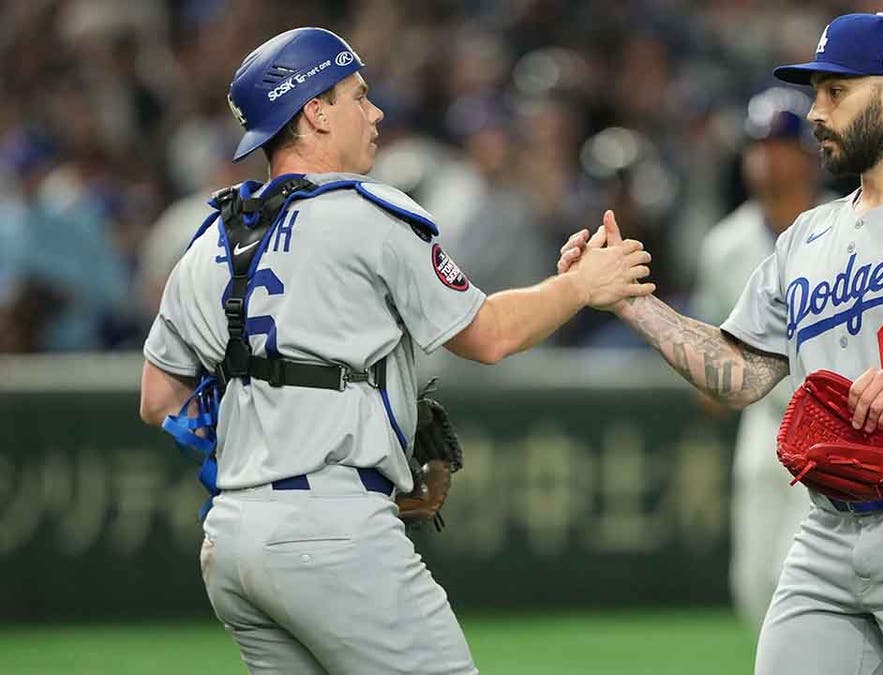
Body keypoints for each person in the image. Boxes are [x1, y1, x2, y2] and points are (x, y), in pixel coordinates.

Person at [137, 27, 652, 675]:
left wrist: (272, 439)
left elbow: (158, 398)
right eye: (358, 95)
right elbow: (487, 334)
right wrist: (579, 285)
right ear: (316, 113)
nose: (376, 111)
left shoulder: (207, 240)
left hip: (232, 541)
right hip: (334, 533)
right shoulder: (367, 214)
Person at [560, 13, 883, 675]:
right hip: (827, 531)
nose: (816, 112)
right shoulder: (807, 238)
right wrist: (631, 302)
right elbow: (737, 374)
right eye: (816, 93)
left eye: (835, 92)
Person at [690, 86, 822, 629]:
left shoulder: (840, 228)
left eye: (780, 145)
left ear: (807, 155)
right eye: (757, 146)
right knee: (751, 586)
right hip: (762, 425)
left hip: (826, 426)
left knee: (794, 580)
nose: (766, 159)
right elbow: (712, 338)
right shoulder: (724, 244)